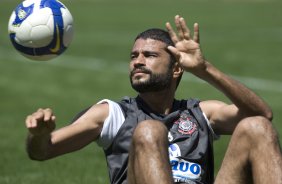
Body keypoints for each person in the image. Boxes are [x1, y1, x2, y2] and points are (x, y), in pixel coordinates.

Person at [25, 15, 282, 184]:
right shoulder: (113, 114)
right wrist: (37, 135)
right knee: (150, 130)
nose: (137, 61)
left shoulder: (200, 112)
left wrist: (205, 70)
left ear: (177, 68)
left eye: (149, 55)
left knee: (256, 127)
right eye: (133, 55)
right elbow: (44, 151)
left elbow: (261, 115)